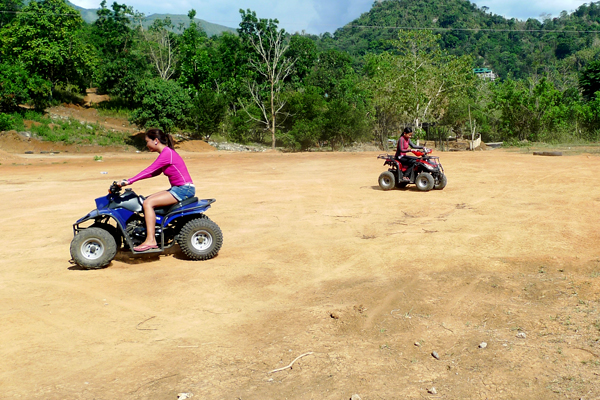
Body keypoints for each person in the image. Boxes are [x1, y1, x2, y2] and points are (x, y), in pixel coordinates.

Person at [119, 128, 195, 252]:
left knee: (148, 203)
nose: (146, 144)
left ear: (155, 140)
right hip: (179, 188)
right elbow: (153, 173)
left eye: (147, 141)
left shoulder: (167, 153)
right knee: (147, 200)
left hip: (183, 189)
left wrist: (129, 181)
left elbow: (149, 170)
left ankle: (151, 240)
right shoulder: (166, 153)